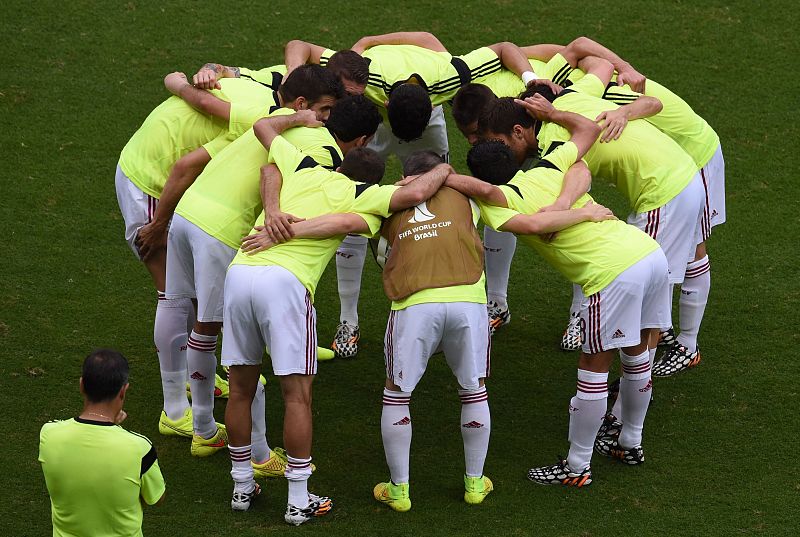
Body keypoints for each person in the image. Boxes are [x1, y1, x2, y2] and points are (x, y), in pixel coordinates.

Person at [221, 131, 450, 524]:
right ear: (372, 181)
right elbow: (414, 196)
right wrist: (444, 167)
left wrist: (273, 212)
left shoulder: (304, 165)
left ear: (340, 163)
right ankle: (298, 498)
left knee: (240, 389)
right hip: (286, 284)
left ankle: (242, 486)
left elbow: (268, 151)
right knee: (297, 398)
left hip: (239, 272)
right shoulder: (367, 194)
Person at [284, 33, 536, 357]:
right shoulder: (368, 78)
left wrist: (534, 80)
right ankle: (348, 320)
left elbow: (503, 46)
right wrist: (361, 46)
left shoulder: (449, 75)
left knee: (443, 203)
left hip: (425, 127)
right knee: (347, 197)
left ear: (435, 103)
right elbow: (300, 47)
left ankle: (495, 303)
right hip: (374, 123)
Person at [456, 126, 669, 485]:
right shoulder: (545, 168)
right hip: (648, 253)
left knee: (593, 367)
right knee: (636, 353)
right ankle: (629, 441)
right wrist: (569, 202)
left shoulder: (498, 205)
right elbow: (580, 165)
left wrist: (573, 212)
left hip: (612, 273)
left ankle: (576, 466)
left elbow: (536, 223)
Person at [161, 67, 350, 459]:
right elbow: (277, 174)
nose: (326, 119)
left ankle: (185, 414)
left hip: (187, 214)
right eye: (325, 109)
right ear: (302, 106)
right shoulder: (315, 139)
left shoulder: (266, 122)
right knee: (217, 335)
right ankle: (208, 432)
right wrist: (277, 217)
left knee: (177, 305)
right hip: (220, 229)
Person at [522, 36, 724, 372]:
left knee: (676, 263)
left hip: (691, 152)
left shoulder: (573, 97)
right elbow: (585, 54)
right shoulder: (578, 88)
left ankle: (679, 347)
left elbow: (583, 52)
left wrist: (624, 84)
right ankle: (671, 340)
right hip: (672, 160)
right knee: (668, 265)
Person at [116, 62, 288, 441]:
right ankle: (175, 410)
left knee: (195, 294)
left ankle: (201, 378)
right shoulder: (258, 122)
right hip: (152, 181)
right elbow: (182, 168)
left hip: (173, 181)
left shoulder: (263, 87)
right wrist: (159, 224)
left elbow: (212, 75)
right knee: (173, 295)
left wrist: (183, 79)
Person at [39, 349, 165, 536]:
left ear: (82, 385)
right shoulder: (140, 449)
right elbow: (155, 498)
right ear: (123, 390)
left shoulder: (49, 435)